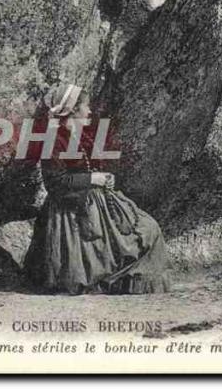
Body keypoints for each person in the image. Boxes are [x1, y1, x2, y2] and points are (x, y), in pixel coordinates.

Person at [23, 83, 171, 295]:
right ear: (73, 110)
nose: (89, 111)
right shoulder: (53, 139)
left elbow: (88, 167)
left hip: (97, 205)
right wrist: (93, 178)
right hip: (71, 213)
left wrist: (103, 178)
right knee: (95, 265)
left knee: (150, 229)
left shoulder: (78, 133)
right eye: (86, 106)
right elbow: (55, 183)